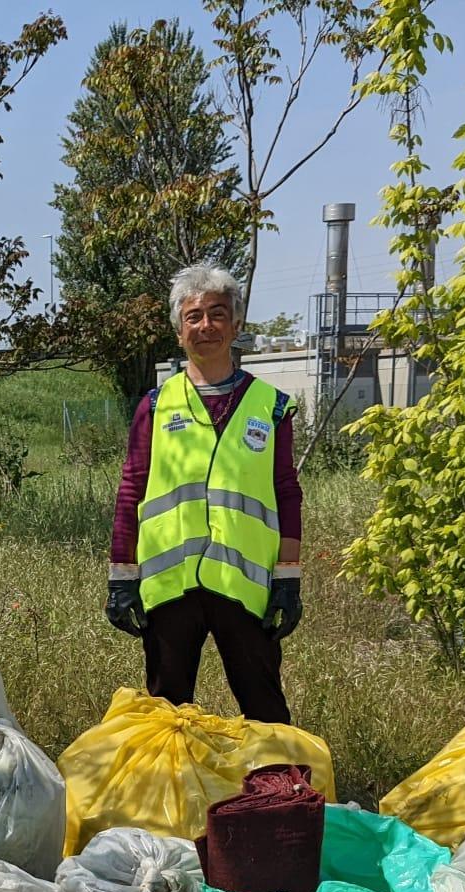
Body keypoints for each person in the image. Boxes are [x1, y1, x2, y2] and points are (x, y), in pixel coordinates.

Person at [107, 263, 304, 725]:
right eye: (193, 317)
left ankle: (278, 792)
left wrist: (288, 578)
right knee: (166, 712)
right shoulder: (156, 405)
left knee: (264, 708)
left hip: (245, 586)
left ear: (236, 325)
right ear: (179, 332)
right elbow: (132, 487)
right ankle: (171, 793)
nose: (206, 326)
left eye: (217, 314)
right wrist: (121, 576)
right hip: (170, 585)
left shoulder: (270, 407)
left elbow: (286, 492)